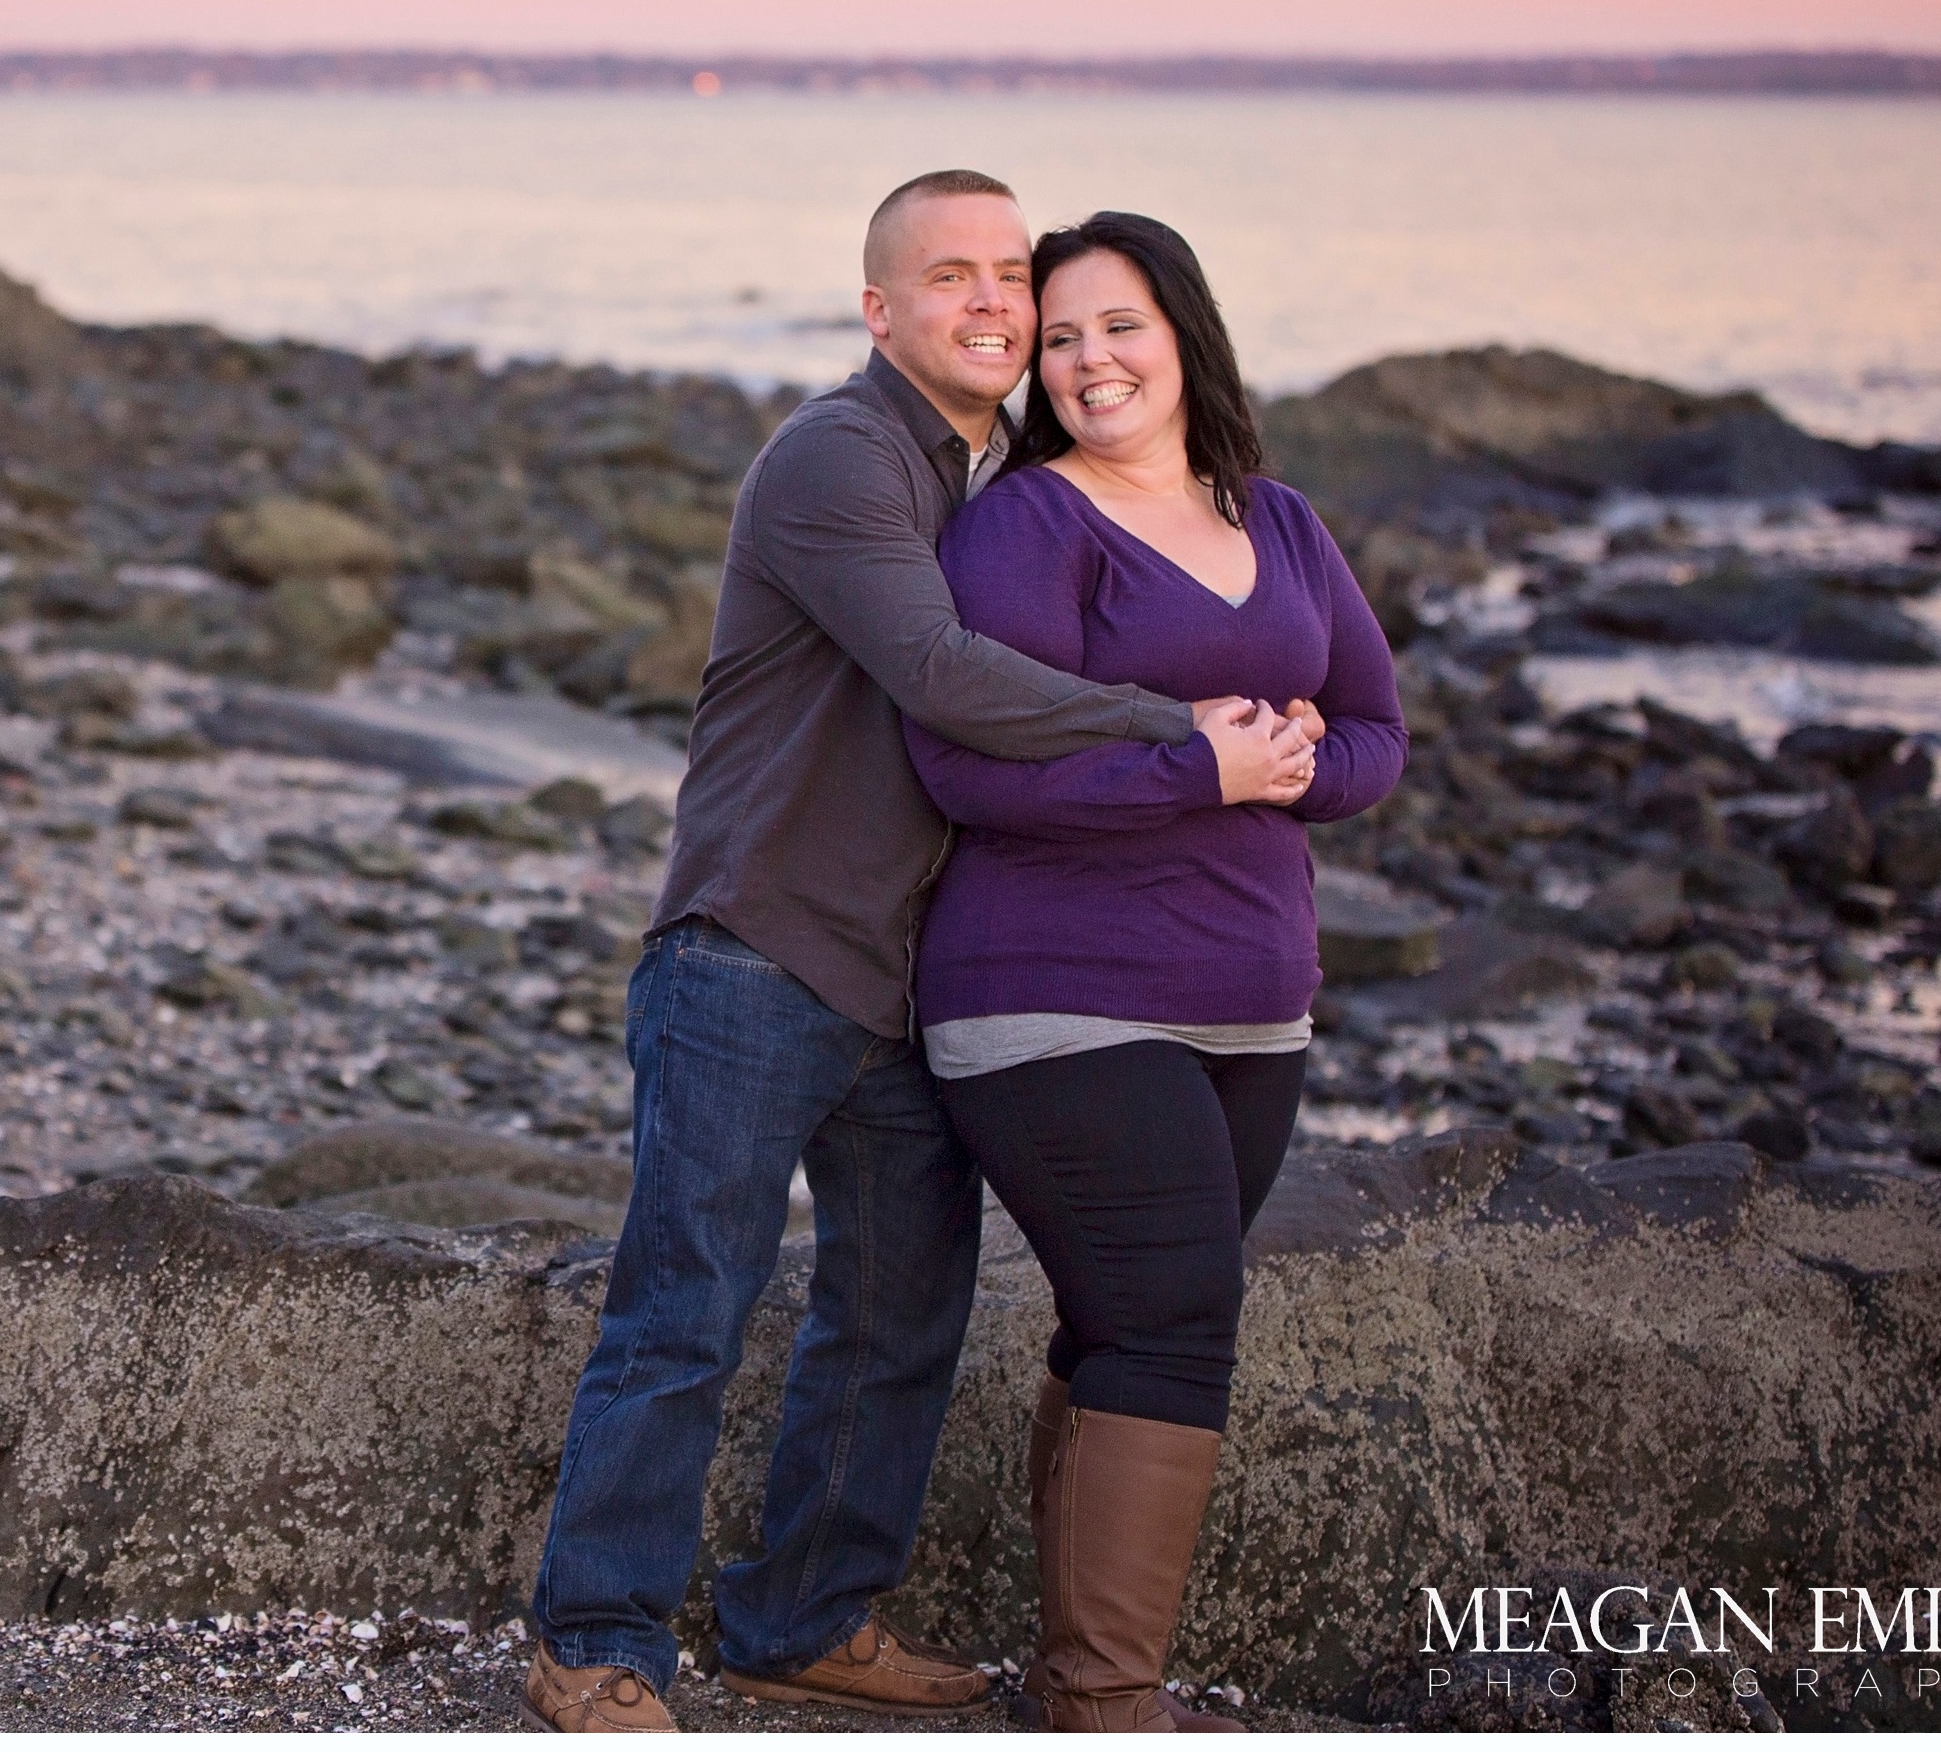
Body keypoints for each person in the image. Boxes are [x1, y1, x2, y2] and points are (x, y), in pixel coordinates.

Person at [522, 173, 1314, 1734]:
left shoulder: (1001, 476)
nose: (996, 306)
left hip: (902, 977)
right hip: (755, 947)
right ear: (880, 309)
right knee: (686, 1300)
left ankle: (801, 1618)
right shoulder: (839, 452)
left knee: (895, 1315)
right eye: (952, 276)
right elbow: (948, 674)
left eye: (1013, 277)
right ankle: (596, 1640)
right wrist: (1186, 731)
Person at [904, 210, 1407, 1732]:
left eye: (1115, 324)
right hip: (1050, 989)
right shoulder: (1027, 527)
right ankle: (1110, 1699)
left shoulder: (1287, 519)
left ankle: (1073, 1674)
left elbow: (1375, 731)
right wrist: (1201, 768)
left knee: (1124, 1320)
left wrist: (1293, 771)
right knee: (1180, 1312)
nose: (1087, 358)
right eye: (1057, 339)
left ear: (1181, 331)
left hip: (1254, 1002)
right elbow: (967, 766)